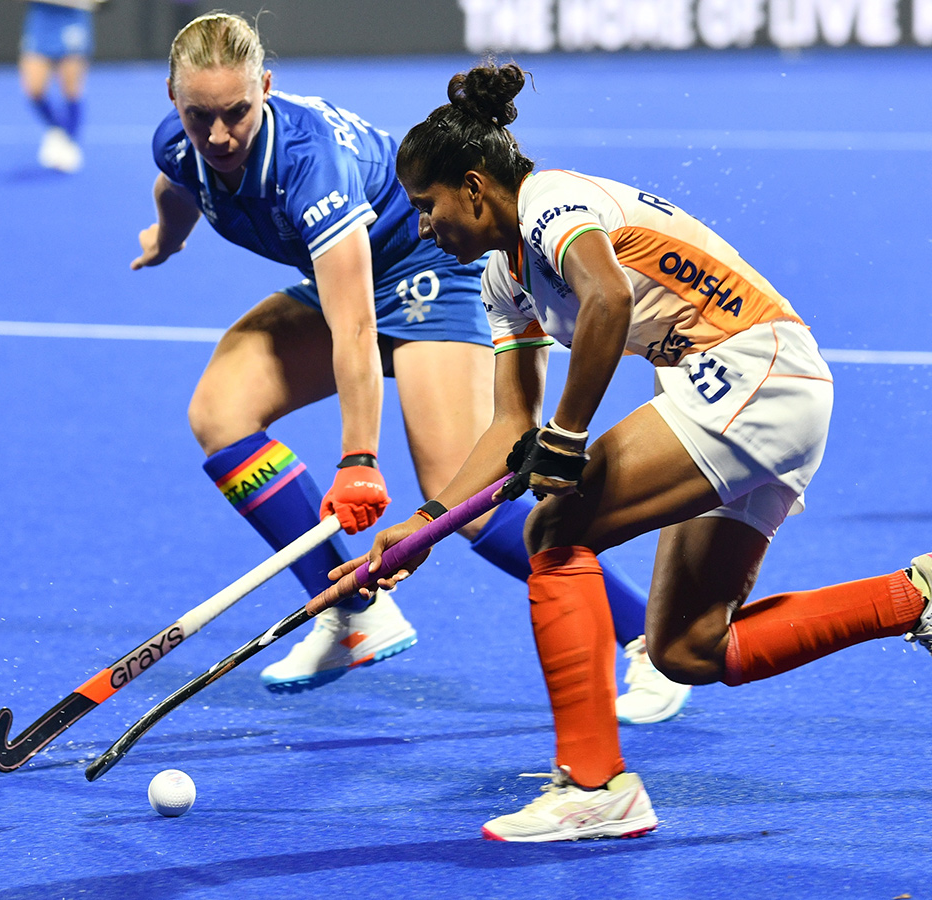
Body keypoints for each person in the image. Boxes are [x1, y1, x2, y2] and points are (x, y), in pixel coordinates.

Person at [339, 61, 932, 842]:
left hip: (754, 372)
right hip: (750, 390)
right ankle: (915, 598)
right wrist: (424, 524)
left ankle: (595, 784)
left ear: (476, 188)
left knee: (556, 532)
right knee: (687, 648)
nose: (422, 226)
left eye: (428, 206)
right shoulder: (500, 277)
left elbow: (608, 298)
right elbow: (511, 424)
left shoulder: (553, 204)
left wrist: (569, 437)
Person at [131, 13, 689, 722]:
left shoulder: (308, 164)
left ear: (265, 88)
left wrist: (359, 455)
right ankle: (354, 614)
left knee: (459, 496)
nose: (218, 137)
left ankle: (649, 635)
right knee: (220, 412)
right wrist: (166, 240)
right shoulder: (183, 148)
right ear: (173, 104)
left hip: (426, 263)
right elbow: (179, 185)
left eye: (235, 113)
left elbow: (355, 323)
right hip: (351, 283)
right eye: (197, 116)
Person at [19, 0, 100, 172]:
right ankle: (58, 132)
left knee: (71, 90)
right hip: (41, 22)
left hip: (71, 21)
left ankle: (70, 142)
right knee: (34, 90)